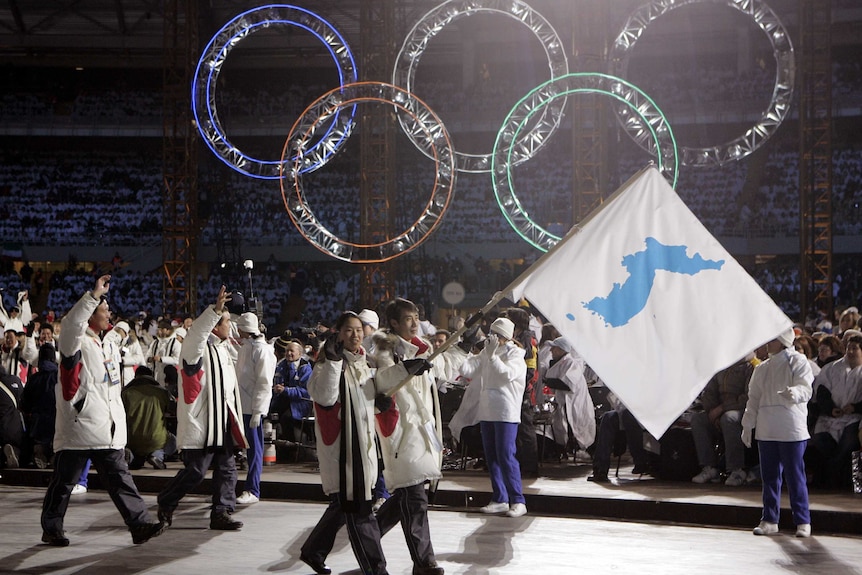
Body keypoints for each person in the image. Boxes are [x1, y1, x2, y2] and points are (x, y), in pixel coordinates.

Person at [40, 274, 165, 546]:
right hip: (79, 427)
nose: (108, 312)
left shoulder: (104, 343)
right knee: (63, 483)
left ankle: (140, 524)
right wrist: (93, 295)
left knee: (120, 480)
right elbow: (72, 323)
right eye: (103, 309)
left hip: (104, 429)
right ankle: (51, 527)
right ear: (90, 314)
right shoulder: (75, 341)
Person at [301, 311, 389, 575]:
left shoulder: (364, 362)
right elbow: (326, 398)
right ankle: (375, 568)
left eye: (359, 329)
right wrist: (332, 361)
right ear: (337, 334)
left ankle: (313, 551)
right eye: (349, 330)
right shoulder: (326, 362)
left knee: (346, 504)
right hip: (343, 451)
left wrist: (377, 404)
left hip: (362, 448)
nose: (355, 335)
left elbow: (359, 404)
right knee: (359, 510)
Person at [157, 286, 247, 531]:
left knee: (227, 469)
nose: (230, 325)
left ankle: (222, 512)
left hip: (223, 420)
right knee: (196, 471)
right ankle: (166, 500)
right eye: (226, 321)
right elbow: (197, 332)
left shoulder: (224, 348)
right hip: (204, 423)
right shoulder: (195, 347)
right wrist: (215, 310)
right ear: (215, 324)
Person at [373, 297, 445, 575]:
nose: (415, 323)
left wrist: (464, 346)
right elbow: (381, 382)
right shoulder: (385, 352)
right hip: (402, 434)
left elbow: (445, 371)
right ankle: (424, 561)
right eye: (407, 319)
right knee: (415, 498)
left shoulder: (423, 350)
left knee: (407, 496)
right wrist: (406, 368)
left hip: (423, 433)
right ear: (393, 323)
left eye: (416, 317)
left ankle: (368, 535)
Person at [741, 328, 814, 538]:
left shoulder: (798, 361)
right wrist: (748, 424)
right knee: (770, 477)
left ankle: (802, 520)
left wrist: (795, 393)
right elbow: (753, 398)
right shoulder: (762, 368)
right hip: (767, 429)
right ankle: (770, 519)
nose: (767, 342)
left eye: (772, 339)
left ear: (782, 340)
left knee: (794, 476)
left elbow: (806, 388)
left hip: (791, 428)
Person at [460, 317, 528, 517]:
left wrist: (491, 357)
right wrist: (463, 349)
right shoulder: (487, 352)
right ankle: (500, 497)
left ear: (506, 337)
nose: (492, 338)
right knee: (491, 456)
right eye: (491, 333)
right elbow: (467, 370)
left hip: (506, 411)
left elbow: (506, 374)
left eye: (497, 335)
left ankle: (518, 500)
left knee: (506, 455)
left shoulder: (516, 355)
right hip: (487, 410)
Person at [690, 355, 756, 486]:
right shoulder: (720, 367)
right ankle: (709, 467)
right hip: (719, 411)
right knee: (698, 419)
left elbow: (748, 397)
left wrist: (722, 409)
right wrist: (711, 412)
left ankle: (737, 469)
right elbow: (709, 392)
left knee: (729, 418)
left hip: (742, 410)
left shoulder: (751, 367)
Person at [808, 334, 862, 490]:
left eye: (855, 348)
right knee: (820, 440)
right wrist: (831, 408)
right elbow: (822, 391)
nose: (850, 352)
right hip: (830, 417)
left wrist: (855, 407)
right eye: (849, 348)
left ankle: (832, 478)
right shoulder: (832, 368)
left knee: (847, 445)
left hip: (854, 419)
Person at [235, 312, 276, 505]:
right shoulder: (246, 347)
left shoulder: (262, 350)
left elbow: (264, 382)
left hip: (252, 407)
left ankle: (253, 489)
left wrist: (259, 410)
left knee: (255, 449)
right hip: (241, 405)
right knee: (245, 449)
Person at [542, 337, 596, 460]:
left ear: (561, 350)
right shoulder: (560, 363)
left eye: (554, 348)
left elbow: (566, 384)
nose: (551, 351)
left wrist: (547, 381)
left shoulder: (572, 363)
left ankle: (585, 450)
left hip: (575, 403)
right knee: (563, 428)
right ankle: (563, 450)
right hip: (564, 404)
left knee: (578, 428)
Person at [121, 366, 175, 470]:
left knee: (135, 450)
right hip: (156, 439)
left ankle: (130, 456)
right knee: (173, 440)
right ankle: (157, 456)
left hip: (131, 439)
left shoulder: (126, 393)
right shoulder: (162, 392)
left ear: (136, 377)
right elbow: (173, 410)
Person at [21, 343, 58, 469]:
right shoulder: (59, 377)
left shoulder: (34, 378)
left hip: (38, 421)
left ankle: (39, 451)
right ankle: (54, 454)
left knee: (38, 436)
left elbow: (25, 402)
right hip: (56, 419)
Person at [270, 339, 312, 445]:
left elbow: (305, 392)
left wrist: (286, 390)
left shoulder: (305, 368)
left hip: (299, 403)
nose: (289, 353)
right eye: (287, 351)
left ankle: (291, 448)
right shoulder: (281, 366)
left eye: (292, 351)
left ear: (299, 353)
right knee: (268, 414)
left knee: (286, 418)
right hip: (281, 399)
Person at [0, 363, 25, 469]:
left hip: (2, 426)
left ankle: (5, 453)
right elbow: (23, 401)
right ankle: (15, 453)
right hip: (16, 424)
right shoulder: (15, 380)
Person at [146, 318, 181, 388]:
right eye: (159, 329)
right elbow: (147, 355)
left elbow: (177, 360)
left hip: (169, 379)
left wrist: (162, 359)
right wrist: (150, 359)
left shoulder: (175, 343)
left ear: (168, 330)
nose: (159, 331)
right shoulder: (155, 343)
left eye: (162, 329)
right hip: (156, 376)